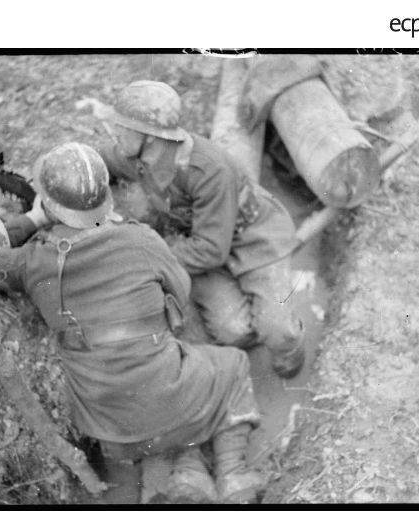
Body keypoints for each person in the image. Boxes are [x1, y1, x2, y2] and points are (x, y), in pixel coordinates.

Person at [3, 142, 263, 504]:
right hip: (169, 399)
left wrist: (32, 220)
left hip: (109, 429)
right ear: (106, 197)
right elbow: (180, 295)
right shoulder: (141, 239)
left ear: (49, 204)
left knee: (155, 400)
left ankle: (183, 471)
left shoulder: (33, 261)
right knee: (233, 365)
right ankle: (233, 474)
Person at [98, 80, 305, 380]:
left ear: (150, 136)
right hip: (200, 239)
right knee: (233, 331)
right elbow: (98, 161)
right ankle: (249, 333)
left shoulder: (208, 170)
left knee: (278, 330)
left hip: (252, 238)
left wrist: (151, 257)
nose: (115, 133)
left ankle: (289, 354)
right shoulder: (137, 156)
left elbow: (210, 251)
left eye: (122, 127)